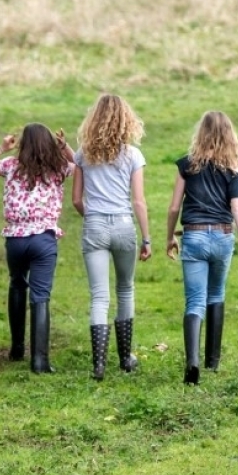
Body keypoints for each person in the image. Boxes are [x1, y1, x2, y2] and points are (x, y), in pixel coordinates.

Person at [0, 123, 74, 374]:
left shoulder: (10, 166)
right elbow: (83, 166)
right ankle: (39, 361)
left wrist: (1, 148)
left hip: (15, 238)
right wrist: (66, 148)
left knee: (17, 284)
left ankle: (17, 348)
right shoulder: (59, 168)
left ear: (23, 144)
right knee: (40, 295)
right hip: (43, 240)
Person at [164, 111, 238, 385]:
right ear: (229, 135)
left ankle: (192, 362)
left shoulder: (186, 165)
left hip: (193, 237)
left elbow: (174, 207)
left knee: (194, 301)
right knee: (216, 294)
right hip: (223, 237)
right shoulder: (234, 168)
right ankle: (212, 361)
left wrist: (170, 237)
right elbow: (236, 206)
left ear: (200, 133)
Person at [71, 94, 152, 381]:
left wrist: (92, 218)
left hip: (94, 225)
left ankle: (98, 364)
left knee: (99, 296)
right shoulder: (132, 155)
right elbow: (139, 202)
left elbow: (77, 200)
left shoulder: (82, 154)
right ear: (126, 121)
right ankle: (125, 358)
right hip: (123, 225)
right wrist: (146, 238)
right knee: (125, 289)